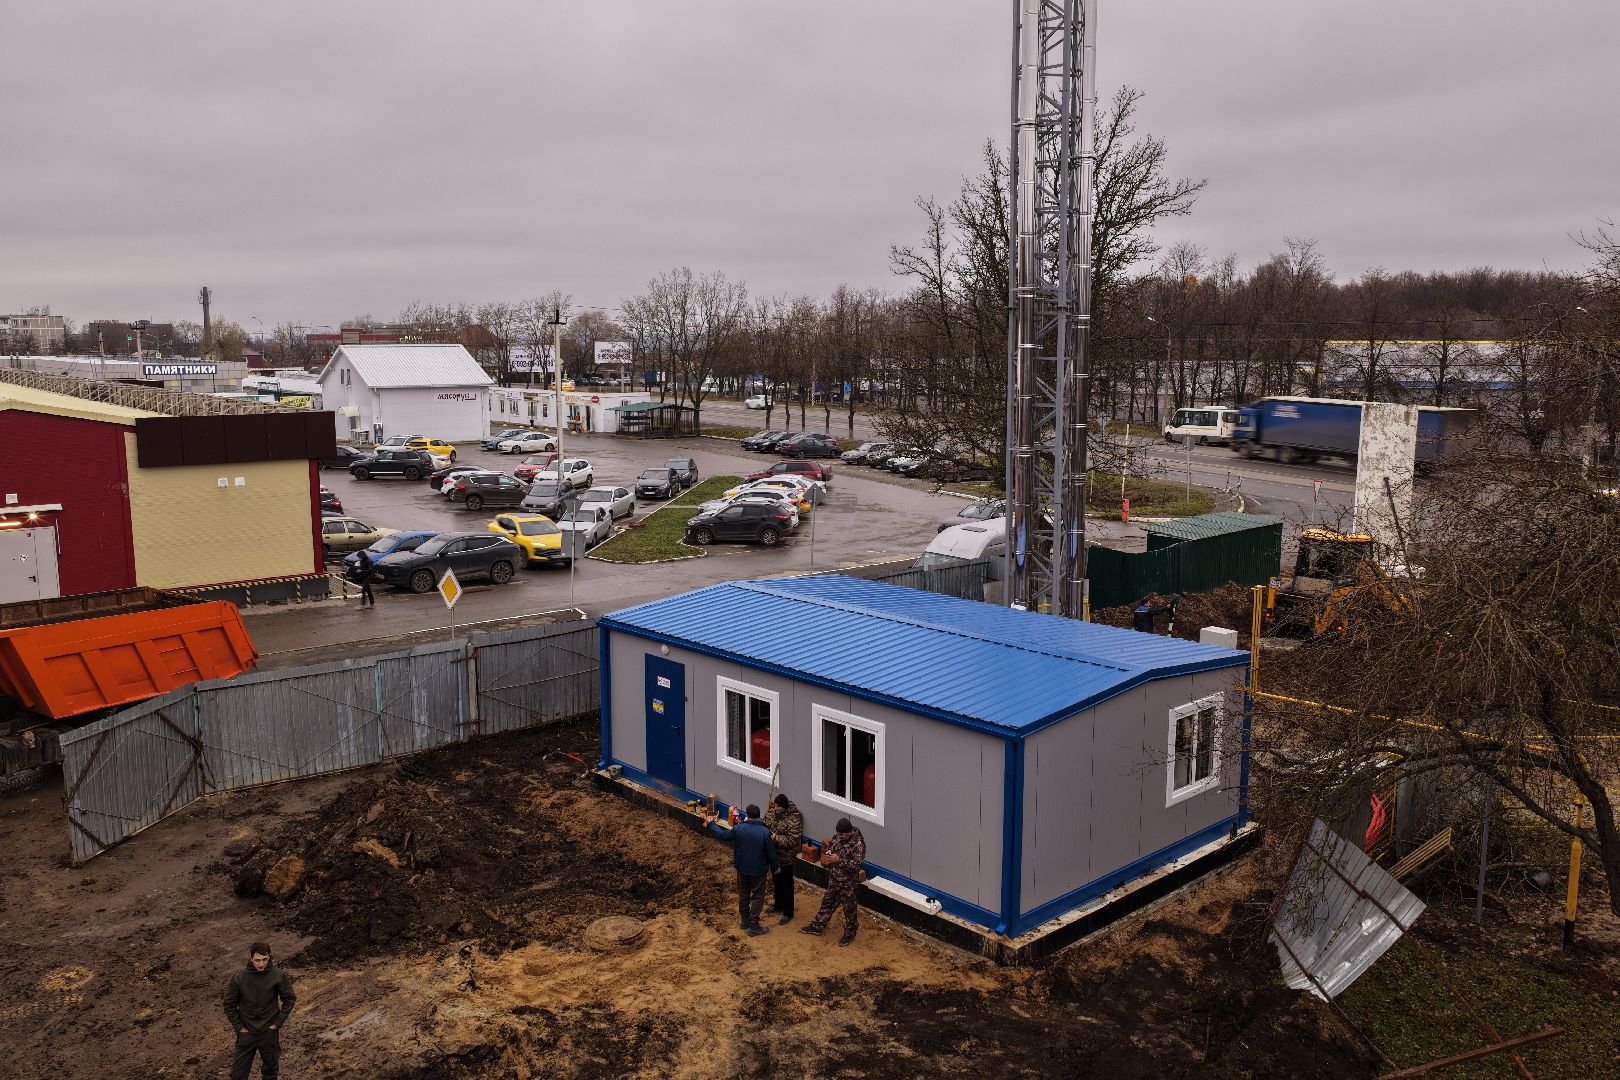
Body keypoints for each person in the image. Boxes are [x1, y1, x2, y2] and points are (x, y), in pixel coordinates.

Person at [704, 803, 780, 936]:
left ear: (748, 815)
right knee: (757, 896)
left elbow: (722, 836)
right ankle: (754, 925)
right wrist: (776, 868)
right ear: (758, 815)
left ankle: (745, 921)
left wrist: (711, 824)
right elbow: (771, 853)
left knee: (743, 894)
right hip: (758, 870)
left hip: (742, 868)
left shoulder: (738, 828)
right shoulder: (765, 832)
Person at [223, 943, 296, 1080]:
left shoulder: (278, 976)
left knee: (270, 1073)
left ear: (270, 958)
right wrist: (240, 1028)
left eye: (264, 959)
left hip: (268, 1033)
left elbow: (289, 999)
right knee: (238, 1075)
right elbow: (229, 1005)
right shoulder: (239, 978)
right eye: (257, 960)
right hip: (247, 1033)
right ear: (251, 958)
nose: (261, 964)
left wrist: (276, 1024)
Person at [801, 817, 866, 946]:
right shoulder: (838, 836)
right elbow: (832, 844)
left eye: (841, 834)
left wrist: (838, 859)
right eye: (838, 834)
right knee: (827, 903)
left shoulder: (859, 845)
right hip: (834, 879)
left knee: (849, 910)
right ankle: (818, 925)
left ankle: (850, 933)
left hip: (848, 884)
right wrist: (829, 851)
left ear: (849, 832)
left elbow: (856, 865)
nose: (839, 836)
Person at [763, 793, 804, 925]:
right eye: (774, 805)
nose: (774, 808)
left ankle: (788, 912)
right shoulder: (770, 813)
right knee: (776, 882)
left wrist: (776, 838)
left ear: (784, 808)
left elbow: (793, 841)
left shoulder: (793, 821)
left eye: (777, 807)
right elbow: (764, 825)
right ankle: (778, 905)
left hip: (786, 858)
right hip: (773, 856)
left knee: (787, 885)